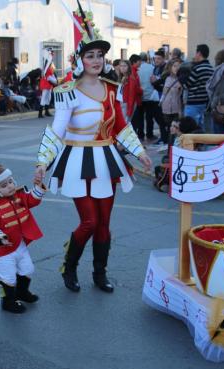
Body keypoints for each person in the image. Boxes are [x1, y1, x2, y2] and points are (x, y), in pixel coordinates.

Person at [34, 8, 152, 294]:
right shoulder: (67, 91)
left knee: (104, 224)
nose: (96, 60)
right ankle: (69, 267)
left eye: (100, 55)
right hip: (77, 160)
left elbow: (122, 125)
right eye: (90, 55)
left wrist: (140, 152)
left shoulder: (112, 88)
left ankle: (100, 273)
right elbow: (58, 129)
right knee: (89, 221)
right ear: (80, 60)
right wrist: (42, 162)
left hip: (106, 160)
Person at [0, 162, 45, 313]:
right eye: (3, 185)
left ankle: (22, 293)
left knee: (28, 269)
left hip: (20, 245)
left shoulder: (19, 195)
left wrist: (38, 186)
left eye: (10, 182)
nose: (9, 186)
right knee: (8, 278)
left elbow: (33, 200)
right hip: (4, 251)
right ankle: (8, 302)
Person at [184, 44, 214, 128]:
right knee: (200, 128)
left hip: (193, 103)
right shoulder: (210, 68)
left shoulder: (197, 68)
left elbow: (187, 85)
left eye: (196, 53)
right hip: (204, 103)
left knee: (190, 128)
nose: (195, 55)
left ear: (199, 53)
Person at [160, 59, 183, 144]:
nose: (177, 68)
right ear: (170, 68)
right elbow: (164, 93)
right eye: (174, 66)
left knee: (176, 130)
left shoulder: (181, 79)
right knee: (171, 130)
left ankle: (173, 148)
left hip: (177, 108)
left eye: (178, 66)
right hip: (167, 108)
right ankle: (170, 149)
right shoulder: (168, 79)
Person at [38, 48, 57, 118]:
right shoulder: (46, 64)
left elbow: (52, 73)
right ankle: (40, 113)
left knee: (48, 98)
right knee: (44, 97)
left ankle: (46, 111)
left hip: (49, 84)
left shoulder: (50, 63)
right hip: (46, 83)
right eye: (51, 53)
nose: (53, 55)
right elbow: (47, 74)